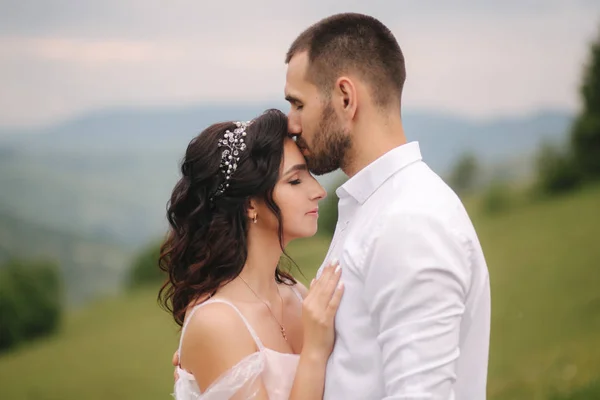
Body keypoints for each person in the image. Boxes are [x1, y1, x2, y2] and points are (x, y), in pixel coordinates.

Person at [282, 12, 491, 399]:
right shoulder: (374, 207)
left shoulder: (411, 223)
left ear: (345, 98)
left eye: (298, 104)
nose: (291, 124)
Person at [160, 109, 345, 400]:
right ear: (250, 204)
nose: (319, 191)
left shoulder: (297, 294)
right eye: (295, 181)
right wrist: (314, 352)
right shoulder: (218, 323)